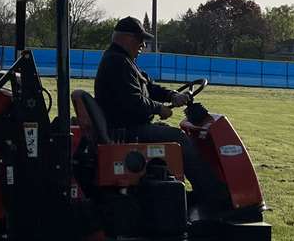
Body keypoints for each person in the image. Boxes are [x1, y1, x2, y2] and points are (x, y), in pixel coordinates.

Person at [93, 16, 231, 210]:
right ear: (126, 38)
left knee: (171, 133)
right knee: (179, 139)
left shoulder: (124, 61)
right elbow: (133, 101)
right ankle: (213, 194)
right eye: (140, 40)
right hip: (128, 129)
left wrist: (172, 95)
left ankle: (189, 191)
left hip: (128, 126)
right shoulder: (117, 62)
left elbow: (149, 87)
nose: (143, 45)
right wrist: (159, 108)